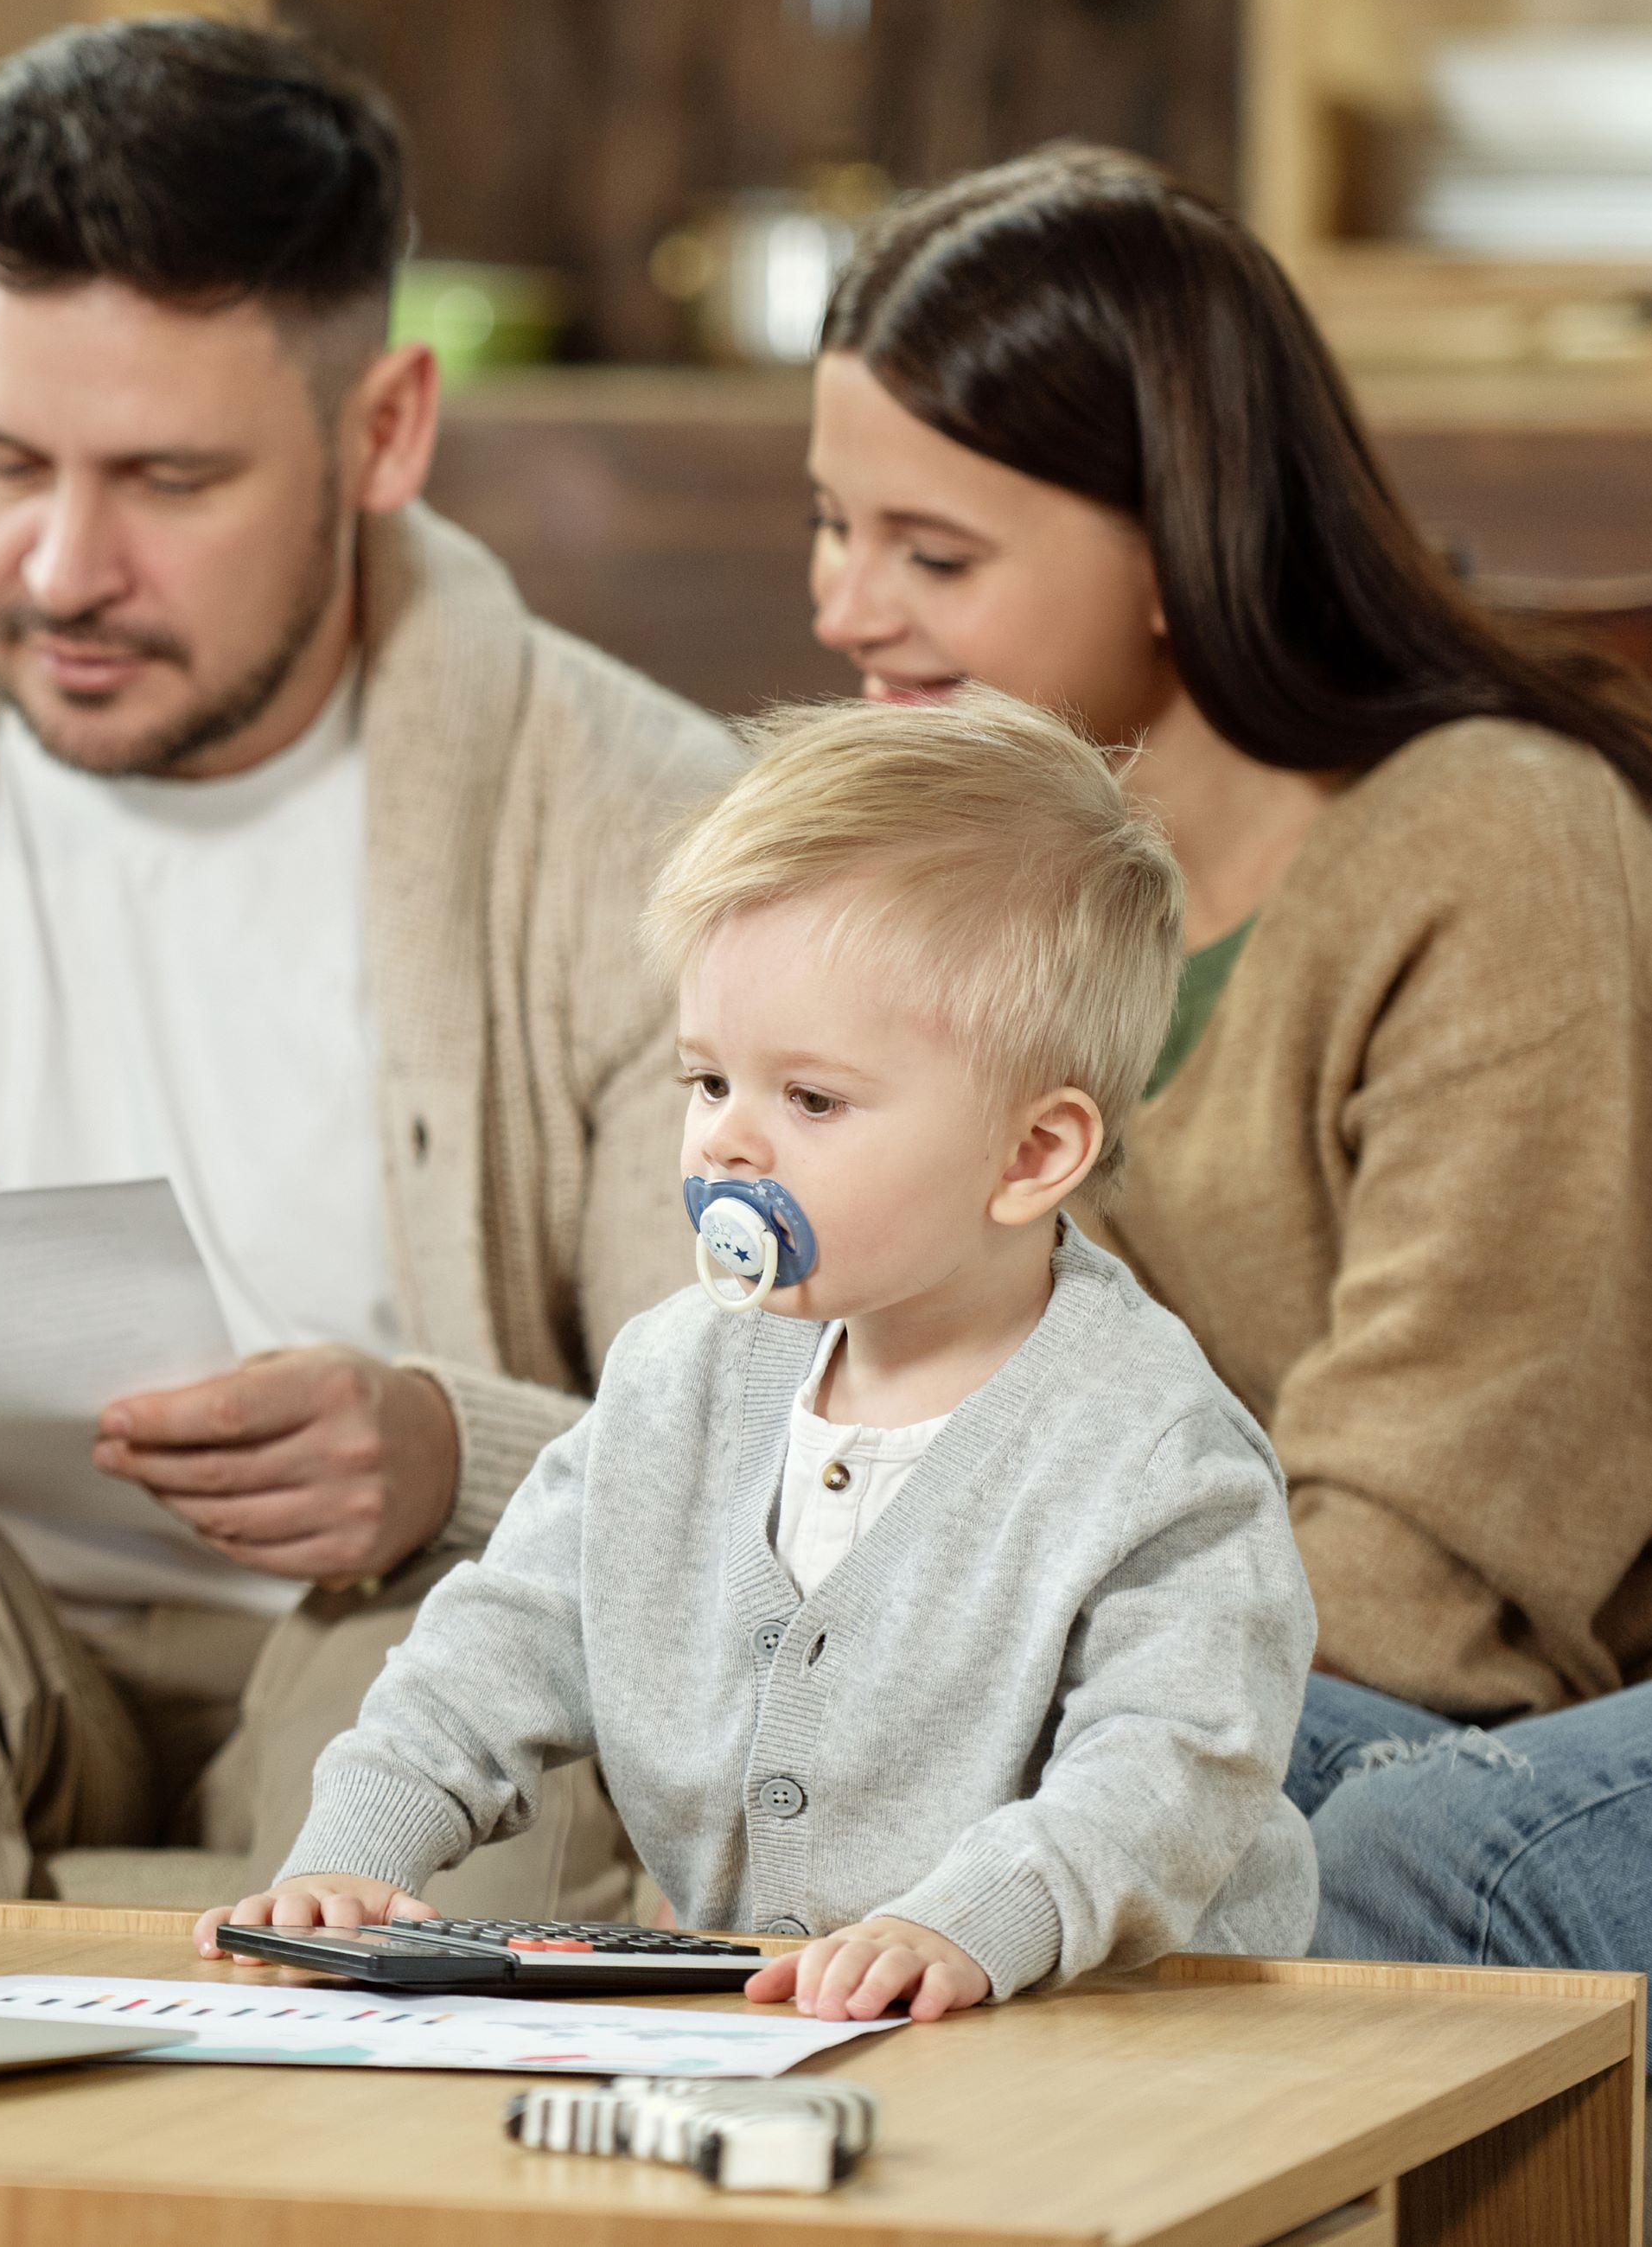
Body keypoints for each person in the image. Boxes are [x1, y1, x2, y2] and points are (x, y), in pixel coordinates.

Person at [0, 16, 738, 1907]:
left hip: (401, 1614)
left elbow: (785, 1444)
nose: (61, 568)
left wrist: (453, 1453)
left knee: (477, 1688)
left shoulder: (655, 831)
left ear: (386, 431)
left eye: (169, 480)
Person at [801, 142, 1652, 2065]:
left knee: (1396, 1866)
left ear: (1173, 543)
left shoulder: (1499, 847)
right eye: (832, 525)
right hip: (1408, 1667)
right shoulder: (996, 931)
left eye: (934, 554)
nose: (848, 606)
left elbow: (1431, 1563)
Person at [201, 693, 1318, 2018]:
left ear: (1031, 1155)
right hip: (788, 2023)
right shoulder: (679, 1378)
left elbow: (1175, 1762)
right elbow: (503, 1638)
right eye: (708, 1081)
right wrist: (355, 1851)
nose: (727, 1139)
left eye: (811, 1098)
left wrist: (968, 1924)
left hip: (1117, 2026)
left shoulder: (1151, 1448)